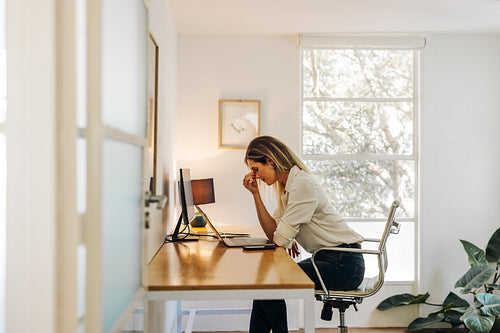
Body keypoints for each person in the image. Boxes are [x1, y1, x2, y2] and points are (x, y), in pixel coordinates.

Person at [242, 135, 365, 333]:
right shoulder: (287, 188)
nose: (255, 175)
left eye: (256, 169)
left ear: (270, 161)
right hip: (329, 258)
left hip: (345, 264)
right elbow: (275, 232)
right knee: (264, 283)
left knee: (268, 282)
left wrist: (286, 235)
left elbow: (280, 239)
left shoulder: (302, 184)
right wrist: (255, 194)